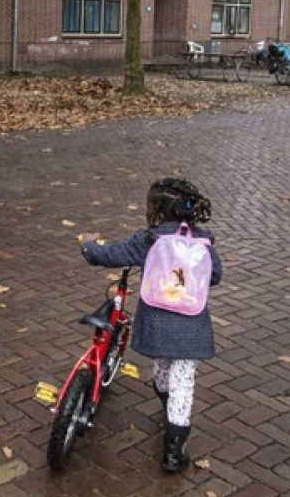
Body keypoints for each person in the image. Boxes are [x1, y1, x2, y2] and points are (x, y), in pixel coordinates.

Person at [78, 178, 222, 473]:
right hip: (191, 325)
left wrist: (89, 246)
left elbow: (111, 255)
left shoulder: (150, 239)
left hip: (158, 320)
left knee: (162, 368)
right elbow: (216, 275)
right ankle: (173, 453)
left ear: (157, 210)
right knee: (185, 381)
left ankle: (164, 396)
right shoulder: (204, 241)